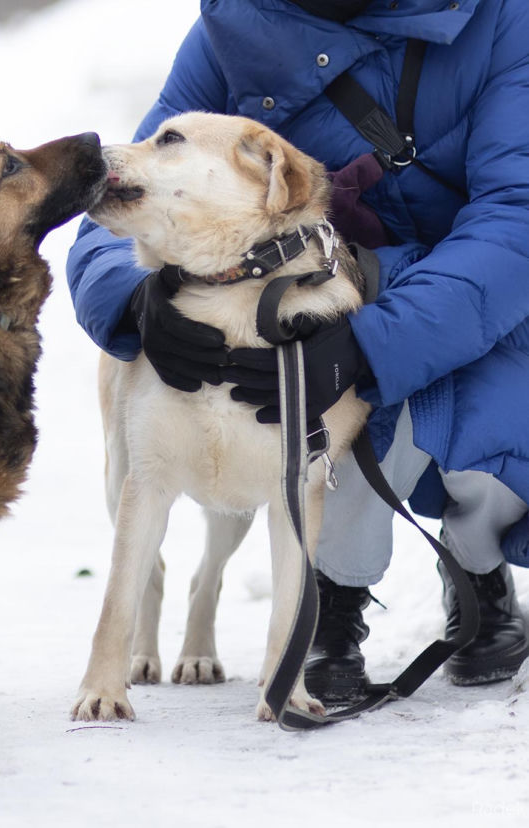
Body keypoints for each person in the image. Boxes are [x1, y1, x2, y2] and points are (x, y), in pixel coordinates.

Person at [67, 0, 529, 702]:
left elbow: (516, 216)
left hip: (467, 300)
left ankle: (476, 565)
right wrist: (131, 301)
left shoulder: (503, 20)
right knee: (315, 439)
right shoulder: (235, 26)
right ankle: (330, 596)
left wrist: (371, 347)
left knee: (488, 420)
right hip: (300, 290)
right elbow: (133, 183)